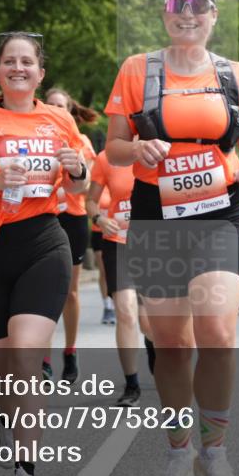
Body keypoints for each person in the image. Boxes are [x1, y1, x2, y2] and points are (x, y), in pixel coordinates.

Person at [103, 0, 239, 476]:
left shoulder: (233, 73)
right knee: (171, 342)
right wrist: (138, 151)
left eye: (199, 6)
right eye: (178, 6)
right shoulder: (138, 70)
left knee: (218, 334)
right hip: (158, 214)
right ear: (166, 15)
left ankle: (214, 456)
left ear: (214, 16)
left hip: (221, 212)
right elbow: (114, 145)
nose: (189, 14)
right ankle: (179, 454)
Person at [0, 31, 88, 476]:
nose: (18, 68)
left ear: (40, 72)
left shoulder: (58, 121)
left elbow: (78, 192)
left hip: (42, 244)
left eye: (27, 61)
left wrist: (77, 171)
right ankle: (7, 422)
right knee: (2, 372)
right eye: (9, 61)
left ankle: (25, 475)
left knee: (26, 358)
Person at [86, 148, 151, 406]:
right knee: (125, 310)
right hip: (117, 243)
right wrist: (99, 219)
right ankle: (132, 383)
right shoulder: (106, 158)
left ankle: (155, 349)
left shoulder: (159, 150)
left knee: (149, 322)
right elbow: (90, 201)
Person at [44, 87, 98, 384]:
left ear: (70, 110)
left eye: (61, 106)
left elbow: (87, 186)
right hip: (44, 217)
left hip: (73, 219)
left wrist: (73, 169)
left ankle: (70, 351)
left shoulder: (83, 142)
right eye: (50, 104)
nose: (56, 109)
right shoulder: (35, 137)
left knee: (69, 292)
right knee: (43, 290)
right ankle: (43, 357)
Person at [90, 184, 117, 324]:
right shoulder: (96, 184)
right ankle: (108, 306)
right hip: (99, 232)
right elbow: (88, 201)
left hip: (119, 231)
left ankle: (123, 301)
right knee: (105, 270)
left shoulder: (119, 181)